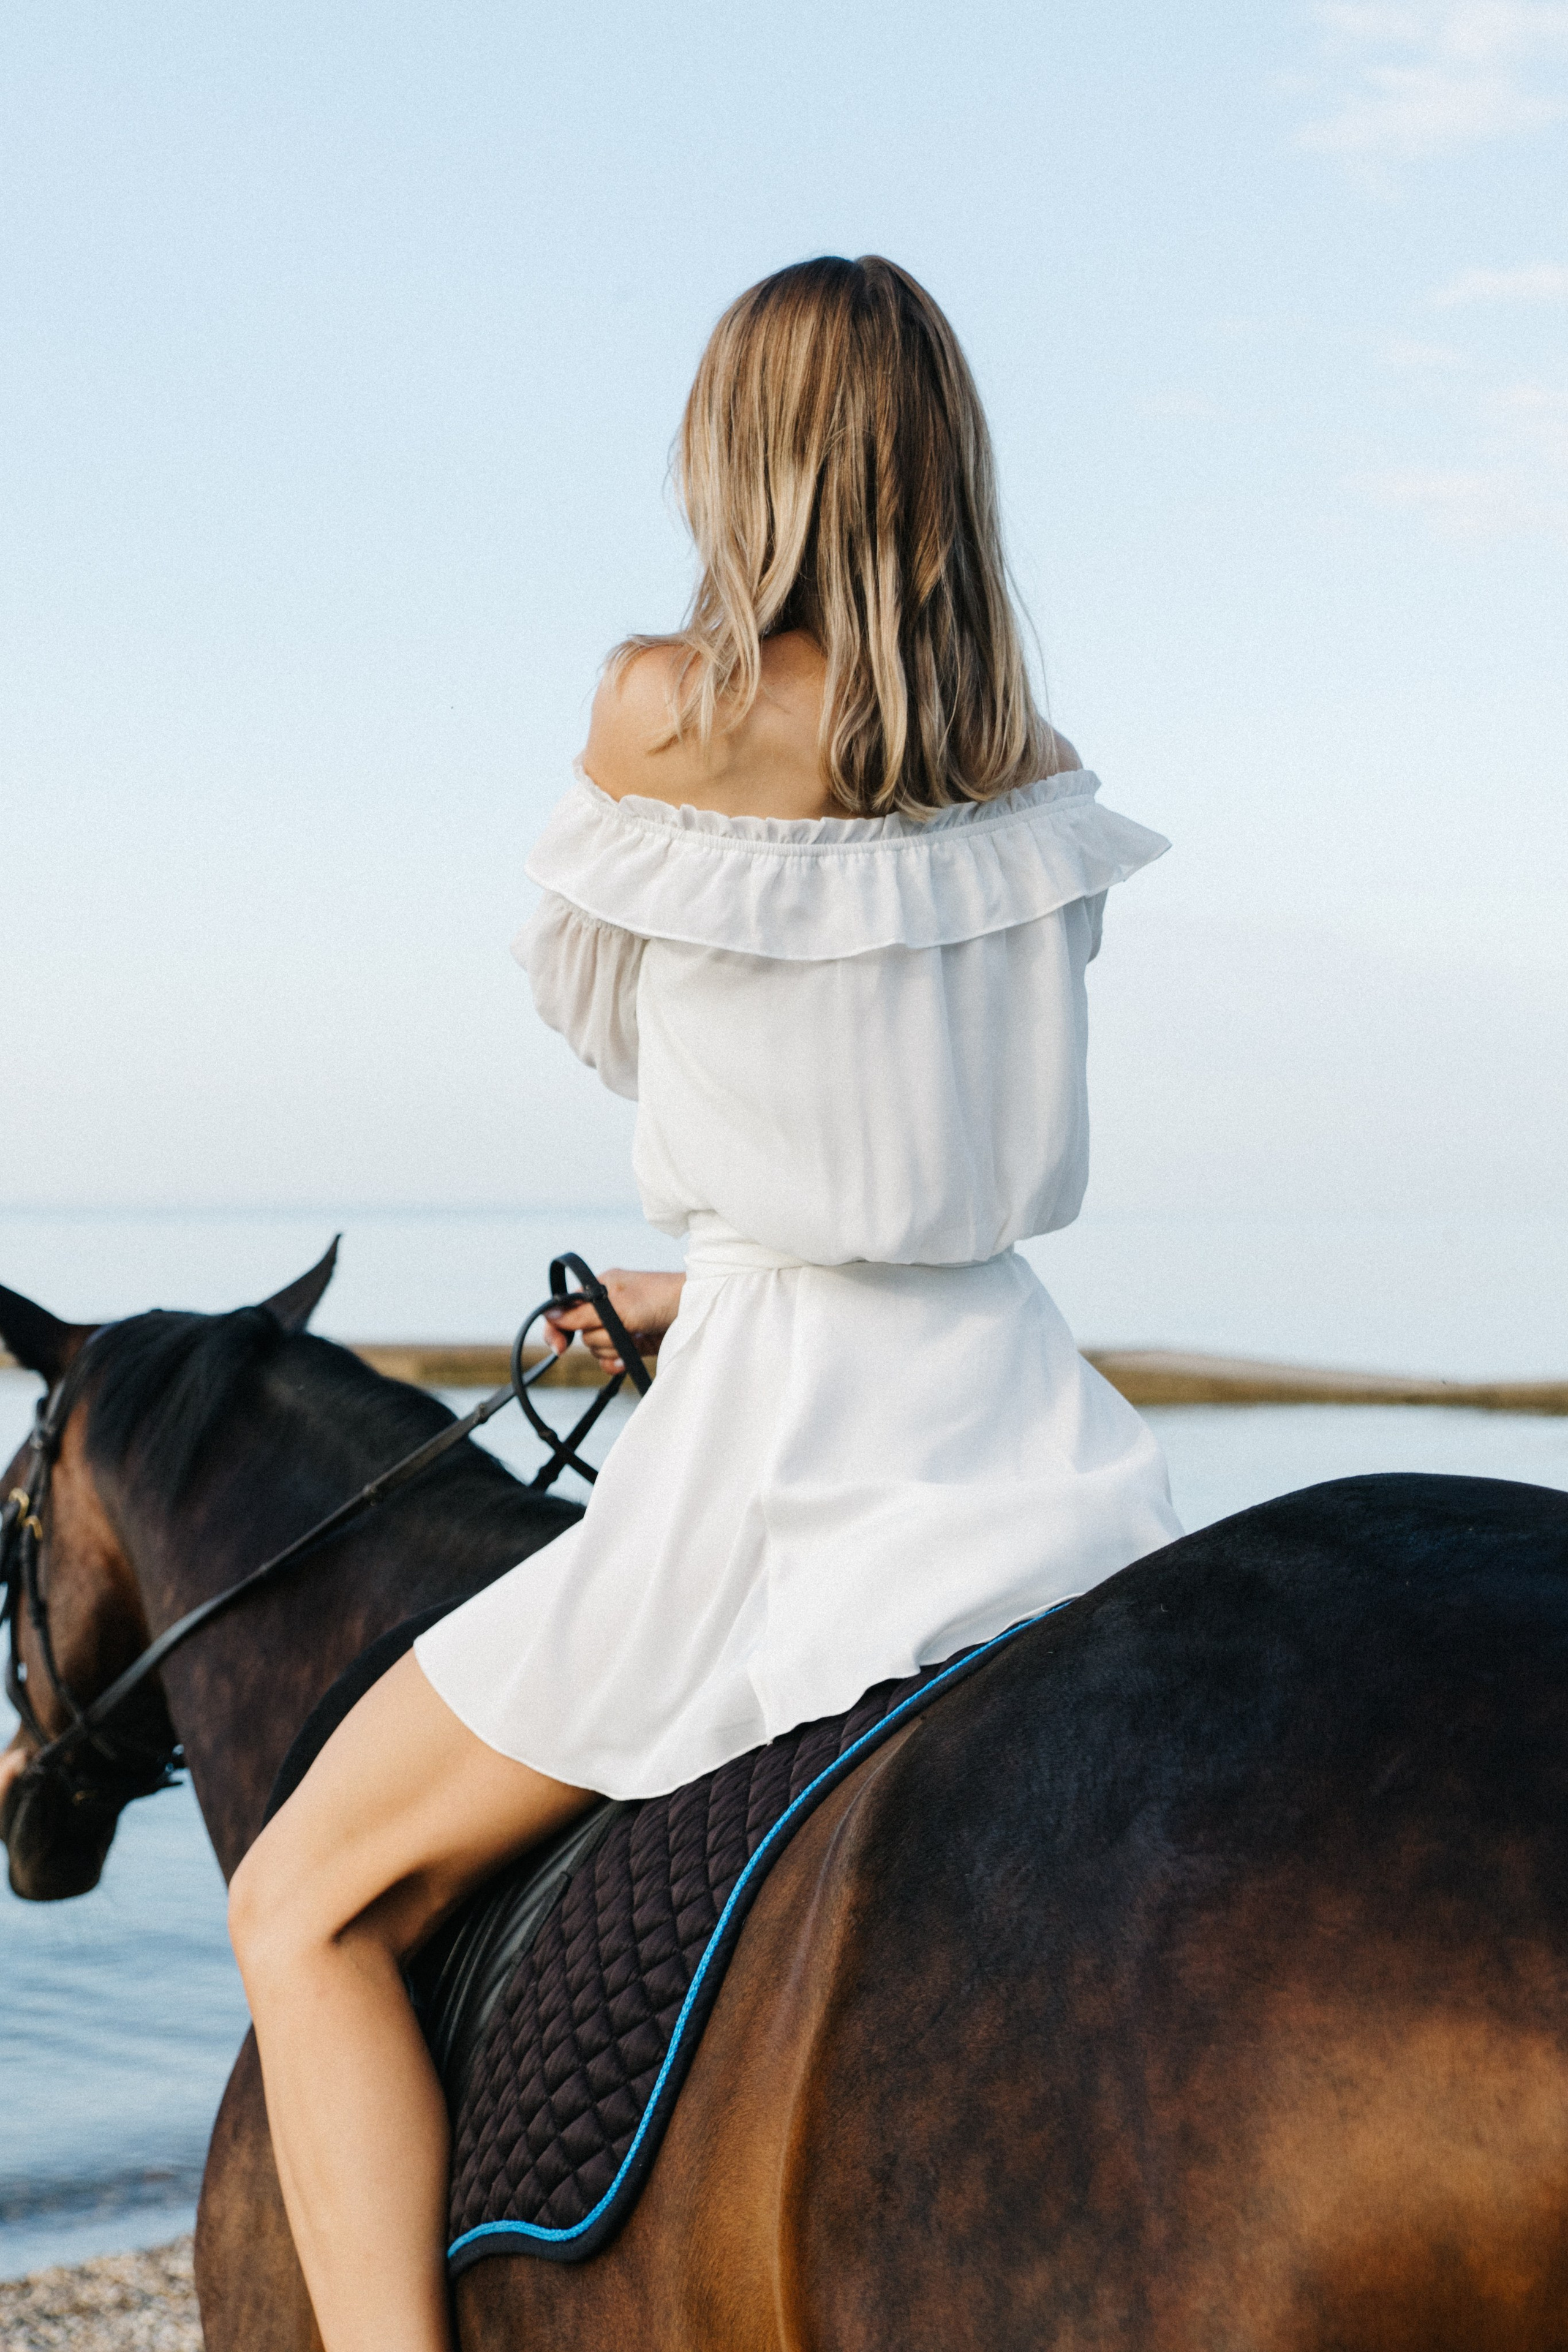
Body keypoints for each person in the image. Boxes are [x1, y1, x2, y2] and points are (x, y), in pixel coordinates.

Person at [228, 253, 1182, 2351]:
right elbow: (905, 1166)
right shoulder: (1030, 759)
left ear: (736, 449)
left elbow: (651, 1033)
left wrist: (719, 1287)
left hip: (782, 1461)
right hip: (1020, 1423)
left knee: (300, 1906)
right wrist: (692, 1281)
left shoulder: (668, 703)